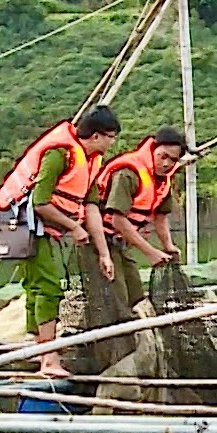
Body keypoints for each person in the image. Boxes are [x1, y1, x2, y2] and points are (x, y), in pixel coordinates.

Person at [0, 106, 121, 376]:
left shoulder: (91, 161)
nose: (112, 143)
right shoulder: (60, 154)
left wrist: (103, 253)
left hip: (48, 228)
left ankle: (37, 349)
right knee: (48, 287)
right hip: (25, 224)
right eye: (111, 137)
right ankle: (48, 360)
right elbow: (40, 203)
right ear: (96, 136)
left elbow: (91, 208)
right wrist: (74, 227)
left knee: (37, 288)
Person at [88, 127, 187, 310]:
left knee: (136, 295)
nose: (166, 163)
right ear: (154, 150)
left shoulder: (163, 181)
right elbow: (118, 220)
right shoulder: (128, 172)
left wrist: (168, 246)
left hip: (121, 243)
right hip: (98, 240)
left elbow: (160, 216)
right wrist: (150, 252)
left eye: (173, 160)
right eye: (163, 156)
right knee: (117, 299)